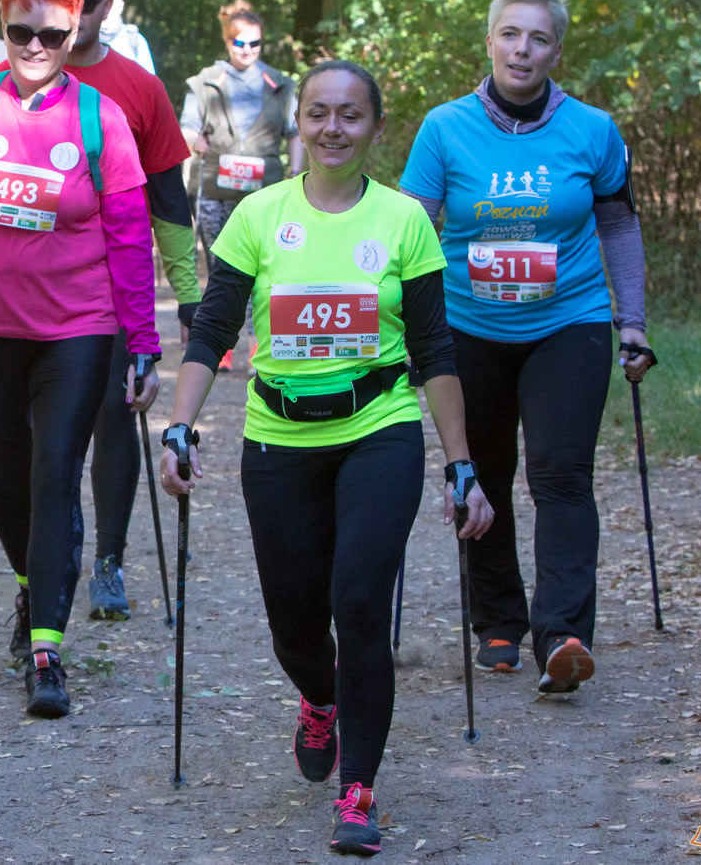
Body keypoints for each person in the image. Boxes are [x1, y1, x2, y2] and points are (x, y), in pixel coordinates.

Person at [159, 60, 494, 856]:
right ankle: (319, 696)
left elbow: (434, 350)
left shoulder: (406, 220)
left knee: (360, 603)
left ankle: (358, 787)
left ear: (376, 128)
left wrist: (461, 464)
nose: (333, 128)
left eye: (350, 115)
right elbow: (212, 330)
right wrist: (178, 426)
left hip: (378, 429)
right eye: (318, 113)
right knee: (295, 623)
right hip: (279, 439)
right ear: (298, 123)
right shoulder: (257, 216)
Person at [399, 0, 655, 694]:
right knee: (480, 474)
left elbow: (619, 223)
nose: (523, 48)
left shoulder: (593, 130)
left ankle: (564, 632)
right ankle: (500, 621)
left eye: (538, 37)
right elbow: (410, 232)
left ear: (556, 50)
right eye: (511, 34)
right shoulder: (444, 128)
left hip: (567, 321)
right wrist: (400, 327)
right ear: (489, 41)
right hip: (466, 324)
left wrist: (629, 319)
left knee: (561, 472)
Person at [0, 0, 159, 718]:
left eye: (50, 32)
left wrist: (143, 340)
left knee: (57, 470)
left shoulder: (100, 118)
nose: (33, 44)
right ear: (1, 25)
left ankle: (49, 649)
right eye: (19, 29)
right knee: (8, 481)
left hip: (77, 327)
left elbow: (129, 236)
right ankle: (34, 585)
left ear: (76, 29)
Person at [50, 0, 199, 622]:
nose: (73, 13)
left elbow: (169, 201)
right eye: (61, 0)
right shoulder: (6, 82)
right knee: (45, 437)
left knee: (115, 422)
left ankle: (108, 558)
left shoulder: (139, 88)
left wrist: (191, 296)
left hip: (114, 292)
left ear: (107, 7)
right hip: (31, 299)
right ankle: (55, 551)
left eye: (87, 0)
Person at [181, 0, 304, 371]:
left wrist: (295, 176)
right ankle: (221, 346)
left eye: (255, 44)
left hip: (263, 193)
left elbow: (295, 133)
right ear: (227, 42)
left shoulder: (281, 84)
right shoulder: (206, 81)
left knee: (264, 269)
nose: (247, 50)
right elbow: (186, 127)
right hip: (215, 189)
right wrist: (193, 142)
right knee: (221, 268)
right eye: (240, 43)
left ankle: (258, 345)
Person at [97, 0, 155, 74]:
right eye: (101, 4)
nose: (106, 9)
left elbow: (149, 85)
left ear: (121, 6)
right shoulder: (80, 39)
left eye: (111, 3)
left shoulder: (135, 41)